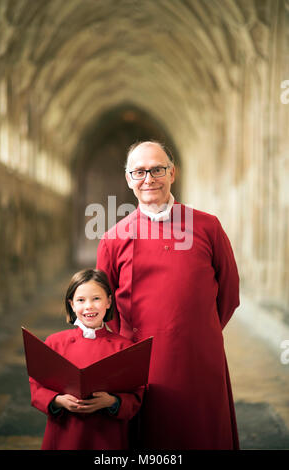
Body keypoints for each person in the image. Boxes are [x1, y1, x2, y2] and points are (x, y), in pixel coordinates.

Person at [96, 140, 240, 450]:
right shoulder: (112, 239)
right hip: (141, 363)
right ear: (128, 179)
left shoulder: (208, 227)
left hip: (199, 359)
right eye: (139, 172)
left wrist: (199, 332)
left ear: (172, 173)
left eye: (157, 169)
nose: (149, 179)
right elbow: (105, 309)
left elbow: (229, 293)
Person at [29, 268, 144, 450]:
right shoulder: (55, 343)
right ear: (72, 305)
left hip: (106, 438)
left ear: (108, 301)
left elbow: (137, 395)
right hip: (65, 434)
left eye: (96, 299)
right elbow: (36, 386)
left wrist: (112, 401)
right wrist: (58, 400)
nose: (89, 306)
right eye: (81, 300)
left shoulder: (125, 348)